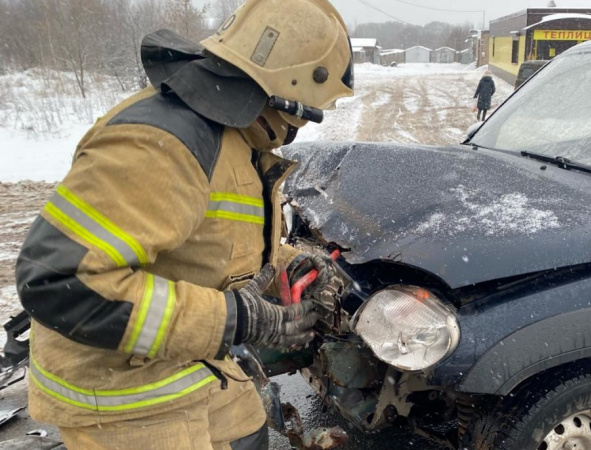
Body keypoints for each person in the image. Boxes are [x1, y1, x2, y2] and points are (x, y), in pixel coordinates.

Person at [14, 0, 354, 448]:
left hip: (189, 358)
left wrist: (289, 264)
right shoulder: (164, 144)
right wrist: (236, 319)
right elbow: (59, 283)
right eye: (310, 110)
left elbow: (211, 241)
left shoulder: (231, 134)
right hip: (122, 393)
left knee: (250, 432)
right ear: (288, 93)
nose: (304, 123)